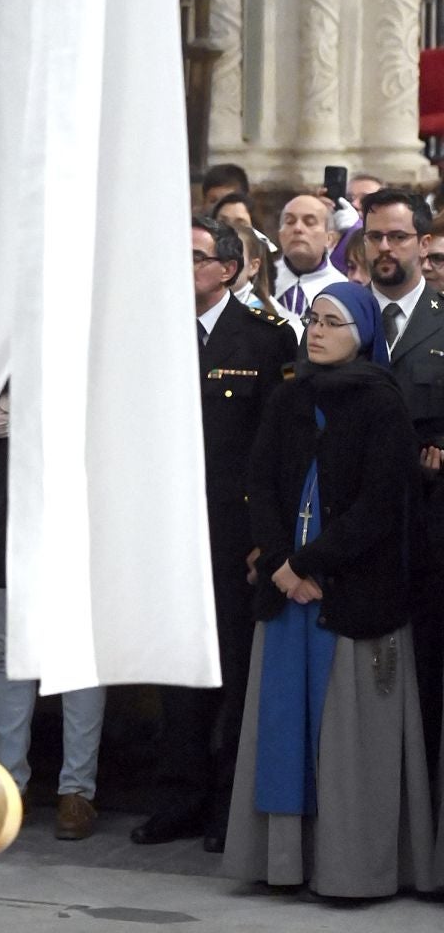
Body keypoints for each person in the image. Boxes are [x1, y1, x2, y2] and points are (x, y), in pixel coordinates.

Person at [223, 283, 432, 899]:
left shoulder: (381, 404)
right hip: (290, 593)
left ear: (362, 333)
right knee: (284, 728)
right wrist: (283, 564)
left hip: (352, 593)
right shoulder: (289, 397)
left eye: (332, 322)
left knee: (347, 740)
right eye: (312, 319)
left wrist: (308, 561)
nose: (316, 331)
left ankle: (350, 869)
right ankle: (283, 861)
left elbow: (378, 504)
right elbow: (259, 482)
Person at [132, 214, 294, 853]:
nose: (180, 268)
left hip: (234, 533)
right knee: (175, 669)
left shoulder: (264, 338)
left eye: (194, 257)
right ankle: (178, 798)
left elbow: (277, 447)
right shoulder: (151, 336)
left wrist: (266, 536)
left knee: (232, 668)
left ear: (227, 269)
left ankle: (228, 806)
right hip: (169, 531)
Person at [0, 387, 106, 842]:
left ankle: (77, 790)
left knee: (76, 653)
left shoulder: (84, 325)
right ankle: (11, 785)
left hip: (75, 497)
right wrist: (27, 419)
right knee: (10, 651)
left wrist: (22, 414)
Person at [361, 186, 444, 774]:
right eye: (374, 237)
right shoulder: (339, 317)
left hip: (431, 525)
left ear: (424, 242)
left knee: (425, 674)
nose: (385, 248)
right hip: (354, 529)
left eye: (397, 236)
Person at [273, 194, 345, 319]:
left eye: (309, 222)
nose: (298, 228)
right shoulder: (262, 282)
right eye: (290, 221)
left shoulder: (343, 291)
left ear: (329, 238)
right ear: (280, 235)